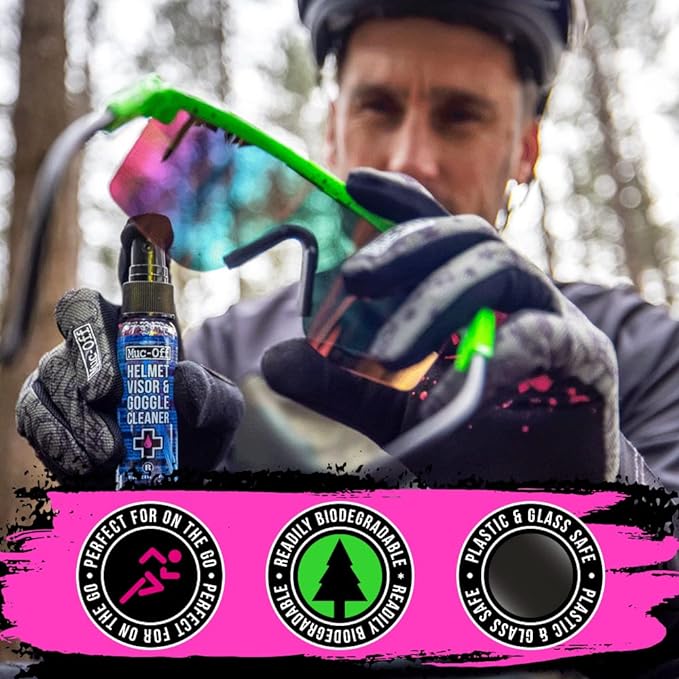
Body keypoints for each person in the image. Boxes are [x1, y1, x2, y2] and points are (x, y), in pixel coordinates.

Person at [12, 1, 679, 675]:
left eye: (460, 116)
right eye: (377, 108)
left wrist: (610, 511)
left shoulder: (641, 351)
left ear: (525, 150)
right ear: (332, 128)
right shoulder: (216, 359)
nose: (409, 158)